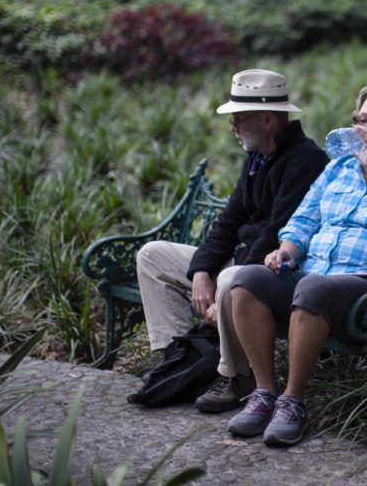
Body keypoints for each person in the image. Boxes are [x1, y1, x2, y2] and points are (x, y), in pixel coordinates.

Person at [225, 84, 367, 446]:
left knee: (313, 288)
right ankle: (265, 393)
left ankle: (294, 401)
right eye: (362, 119)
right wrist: (286, 249)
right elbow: (303, 221)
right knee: (248, 279)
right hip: (316, 281)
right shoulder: (338, 171)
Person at [134, 69, 329, 414]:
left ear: (268, 119)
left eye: (239, 118)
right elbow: (230, 220)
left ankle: (235, 375)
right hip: (239, 261)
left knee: (232, 278)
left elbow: (276, 232)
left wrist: (227, 277)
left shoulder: (306, 161)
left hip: (275, 271)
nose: (233, 126)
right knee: (152, 257)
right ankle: (183, 359)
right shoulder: (256, 156)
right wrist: (201, 271)